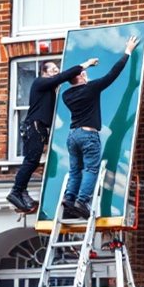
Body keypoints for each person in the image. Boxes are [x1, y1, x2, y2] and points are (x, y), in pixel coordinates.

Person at [60, 35, 140, 219]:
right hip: (88, 135)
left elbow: (74, 75)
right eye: (83, 73)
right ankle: (82, 200)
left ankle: (69, 198)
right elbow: (113, 74)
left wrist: (84, 66)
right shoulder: (90, 88)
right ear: (80, 76)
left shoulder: (67, 96)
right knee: (91, 169)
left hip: (72, 136)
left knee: (75, 170)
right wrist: (127, 51)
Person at [7, 56, 99, 212]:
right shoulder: (39, 82)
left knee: (33, 161)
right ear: (44, 72)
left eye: (57, 70)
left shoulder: (47, 89)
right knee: (31, 161)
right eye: (53, 70)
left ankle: (21, 191)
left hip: (39, 129)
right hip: (34, 127)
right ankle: (16, 191)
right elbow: (63, 77)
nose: (57, 73)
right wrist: (86, 65)